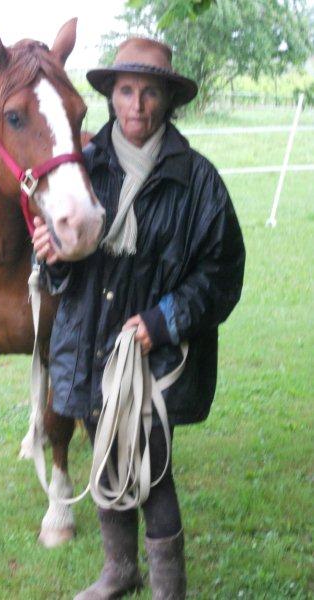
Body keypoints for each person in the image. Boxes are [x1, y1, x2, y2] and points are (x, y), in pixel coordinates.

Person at [33, 37, 246, 600]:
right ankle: (119, 571)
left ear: (168, 100)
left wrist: (163, 319)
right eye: (126, 91)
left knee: (150, 471)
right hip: (90, 347)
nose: (137, 105)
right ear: (111, 96)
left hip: (156, 357)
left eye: (150, 92)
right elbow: (58, 268)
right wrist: (52, 258)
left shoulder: (197, 181)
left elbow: (222, 272)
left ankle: (168, 590)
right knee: (105, 458)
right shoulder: (82, 168)